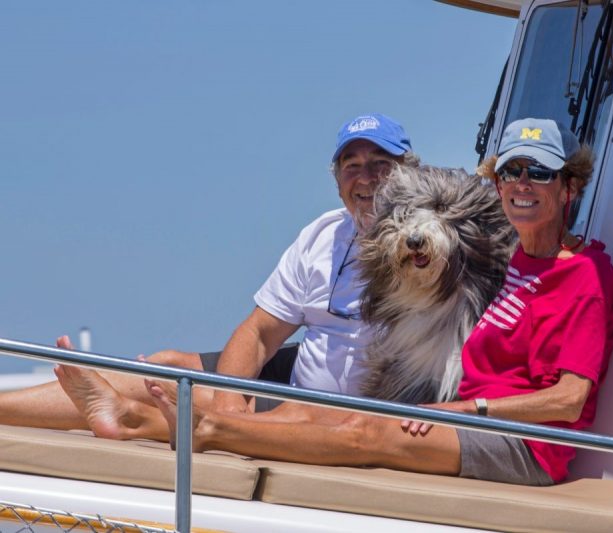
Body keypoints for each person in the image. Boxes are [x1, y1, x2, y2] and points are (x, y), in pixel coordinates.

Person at [134, 117, 613, 486]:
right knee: (309, 412)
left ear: (570, 187)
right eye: (511, 172)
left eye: (539, 172)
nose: (521, 183)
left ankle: (207, 432)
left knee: (367, 432)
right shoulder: (511, 259)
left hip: (524, 445)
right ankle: (136, 420)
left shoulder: (584, 275)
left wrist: (466, 411)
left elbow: (571, 399)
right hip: (460, 415)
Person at [0, 113, 418, 440]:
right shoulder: (323, 235)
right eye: (352, 165)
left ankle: (128, 417)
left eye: (381, 164)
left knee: (206, 402)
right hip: (297, 382)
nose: (365, 179)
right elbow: (258, 333)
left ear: (409, 173)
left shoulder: (432, 241)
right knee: (164, 367)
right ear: (337, 179)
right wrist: (230, 400)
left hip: (355, 409)